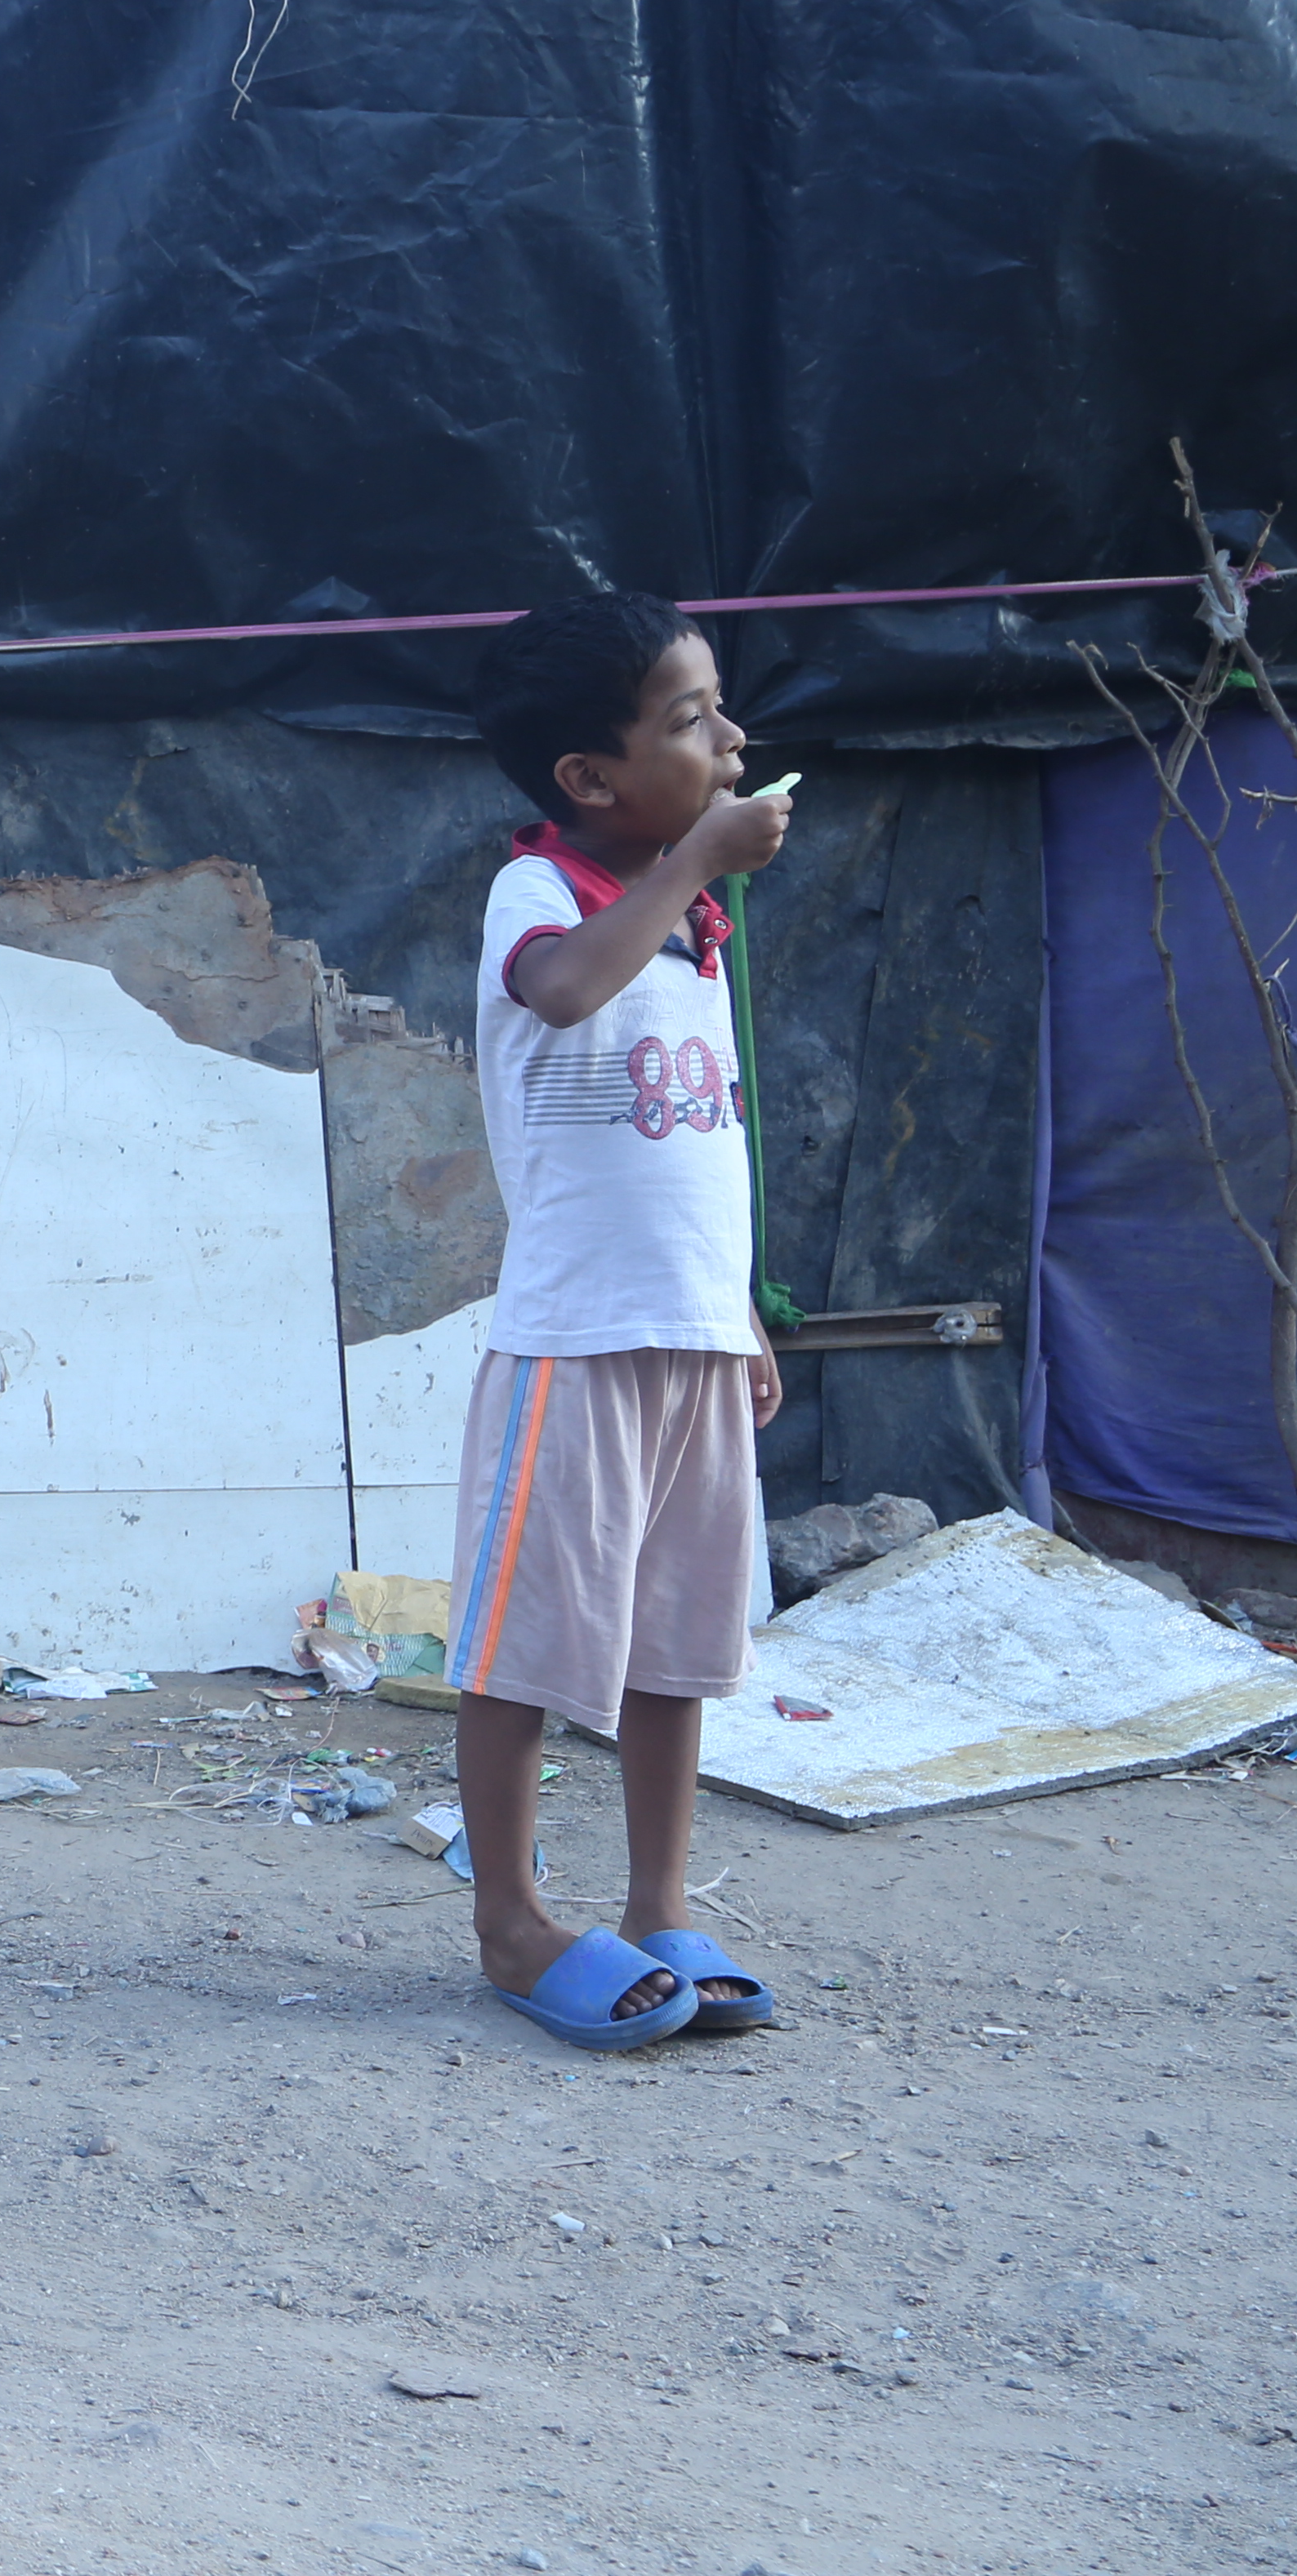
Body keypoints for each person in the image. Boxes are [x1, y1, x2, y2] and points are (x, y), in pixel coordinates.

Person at [451, 591, 794, 2050]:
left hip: (695, 1340)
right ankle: (513, 1919)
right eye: (688, 719)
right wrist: (702, 857)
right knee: (527, 1646)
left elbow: (703, 1145)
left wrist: (744, 1315)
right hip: (575, 1345)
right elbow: (570, 993)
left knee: (676, 1642)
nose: (730, 740)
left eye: (721, 709)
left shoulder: (699, 927)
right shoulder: (545, 895)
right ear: (590, 779)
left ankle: (661, 1901)